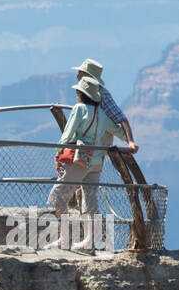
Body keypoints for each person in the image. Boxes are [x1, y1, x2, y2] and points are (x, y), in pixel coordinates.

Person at [45, 75, 126, 253]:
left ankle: (64, 238)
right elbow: (119, 132)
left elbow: (68, 133)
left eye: (78, 91)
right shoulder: (103, 114)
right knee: (90, 199)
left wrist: (58, 154)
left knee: (58, 197)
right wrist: (131, 141)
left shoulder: (79, 109)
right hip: (97, 162)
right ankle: (92, 241)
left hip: (79, 161)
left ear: (82, 93)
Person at [72, 58, 138, 155]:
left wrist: (130, 141)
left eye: (80, 74)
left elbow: (121, 118)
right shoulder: (85, 93)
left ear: (87, 76)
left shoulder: (102, 94)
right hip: (88, 145)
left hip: (98, 145)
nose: (77, 77)